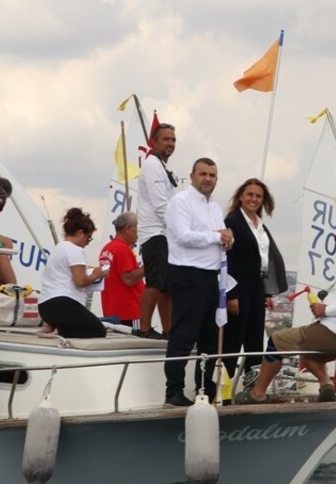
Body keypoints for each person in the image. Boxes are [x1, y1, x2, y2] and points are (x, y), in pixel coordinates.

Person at [242, 225, 336, 404]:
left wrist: (325, 310)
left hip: (334, 332)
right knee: (308, 356)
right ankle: (326, 385)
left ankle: (257, 394)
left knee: (275, 341)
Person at [163, 158, 235, 406]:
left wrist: (227, 238)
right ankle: (173, 391)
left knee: (209, 338)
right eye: (203, 174)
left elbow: (218, 237)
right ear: (192, 175)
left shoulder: (214, 207)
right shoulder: (180, 202)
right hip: (187, 273)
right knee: (183, 336)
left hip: (210, 276)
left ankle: (204, 389)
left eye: (212, 175)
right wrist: (216, 236)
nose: (208, 179)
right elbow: (183, 236)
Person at [221, 177, 287, 378]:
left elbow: (264, 259)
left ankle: (252, 383)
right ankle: (223, 387)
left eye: (259, 196)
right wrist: (231, 294)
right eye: (250, 194)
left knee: (255, 338)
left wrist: (267, 292)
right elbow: (227, 258)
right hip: (238, 287)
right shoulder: (232, 222)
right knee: (233, 338)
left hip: (257, 286)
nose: (254, 199)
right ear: (241, 196)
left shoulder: (260, 225)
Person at [38, 208, 109, 339]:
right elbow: (80, 281)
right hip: (63, 303)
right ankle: (61, 331)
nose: (87, 243)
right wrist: (97, 274)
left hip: (45, 306)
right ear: (81, 233)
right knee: (99, 331)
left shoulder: (59, 247)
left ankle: (56, 326)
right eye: (89, 238)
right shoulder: (75, 250)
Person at [135, 123, 177, 339]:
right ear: (154, 142)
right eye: (165, 139)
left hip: (165, 233)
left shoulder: (161, 166)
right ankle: (144, 328)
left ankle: (168, 330)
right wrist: (180, 227)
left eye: (173, 140)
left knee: (166, 286)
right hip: (156, 233)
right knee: (155, 282)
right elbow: (161, 205)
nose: (170, 143)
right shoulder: (152, 165)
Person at [99, 211, 145, 326]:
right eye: (137, 228)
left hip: (111, 311)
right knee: (137, 343)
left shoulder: (106, 249)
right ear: (128, 228)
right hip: (130, 311)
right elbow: (128, 279)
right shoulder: (122, 249)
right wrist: (151, 265)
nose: (139, 233)